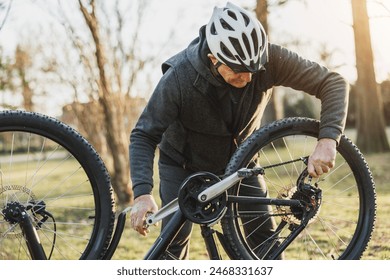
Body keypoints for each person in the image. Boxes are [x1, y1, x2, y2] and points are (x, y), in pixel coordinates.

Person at [129, 2, 349, 259]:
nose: (248, 79)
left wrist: (328, 138)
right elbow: (144, 135)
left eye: (253, 71)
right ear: (214, 59)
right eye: (239, 72)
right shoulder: (179, 78)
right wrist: (142, 193)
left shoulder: (266, 60)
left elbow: (333, 82)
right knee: (172, 247)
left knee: (264, 242)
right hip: (182, 165)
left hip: (241, 164)